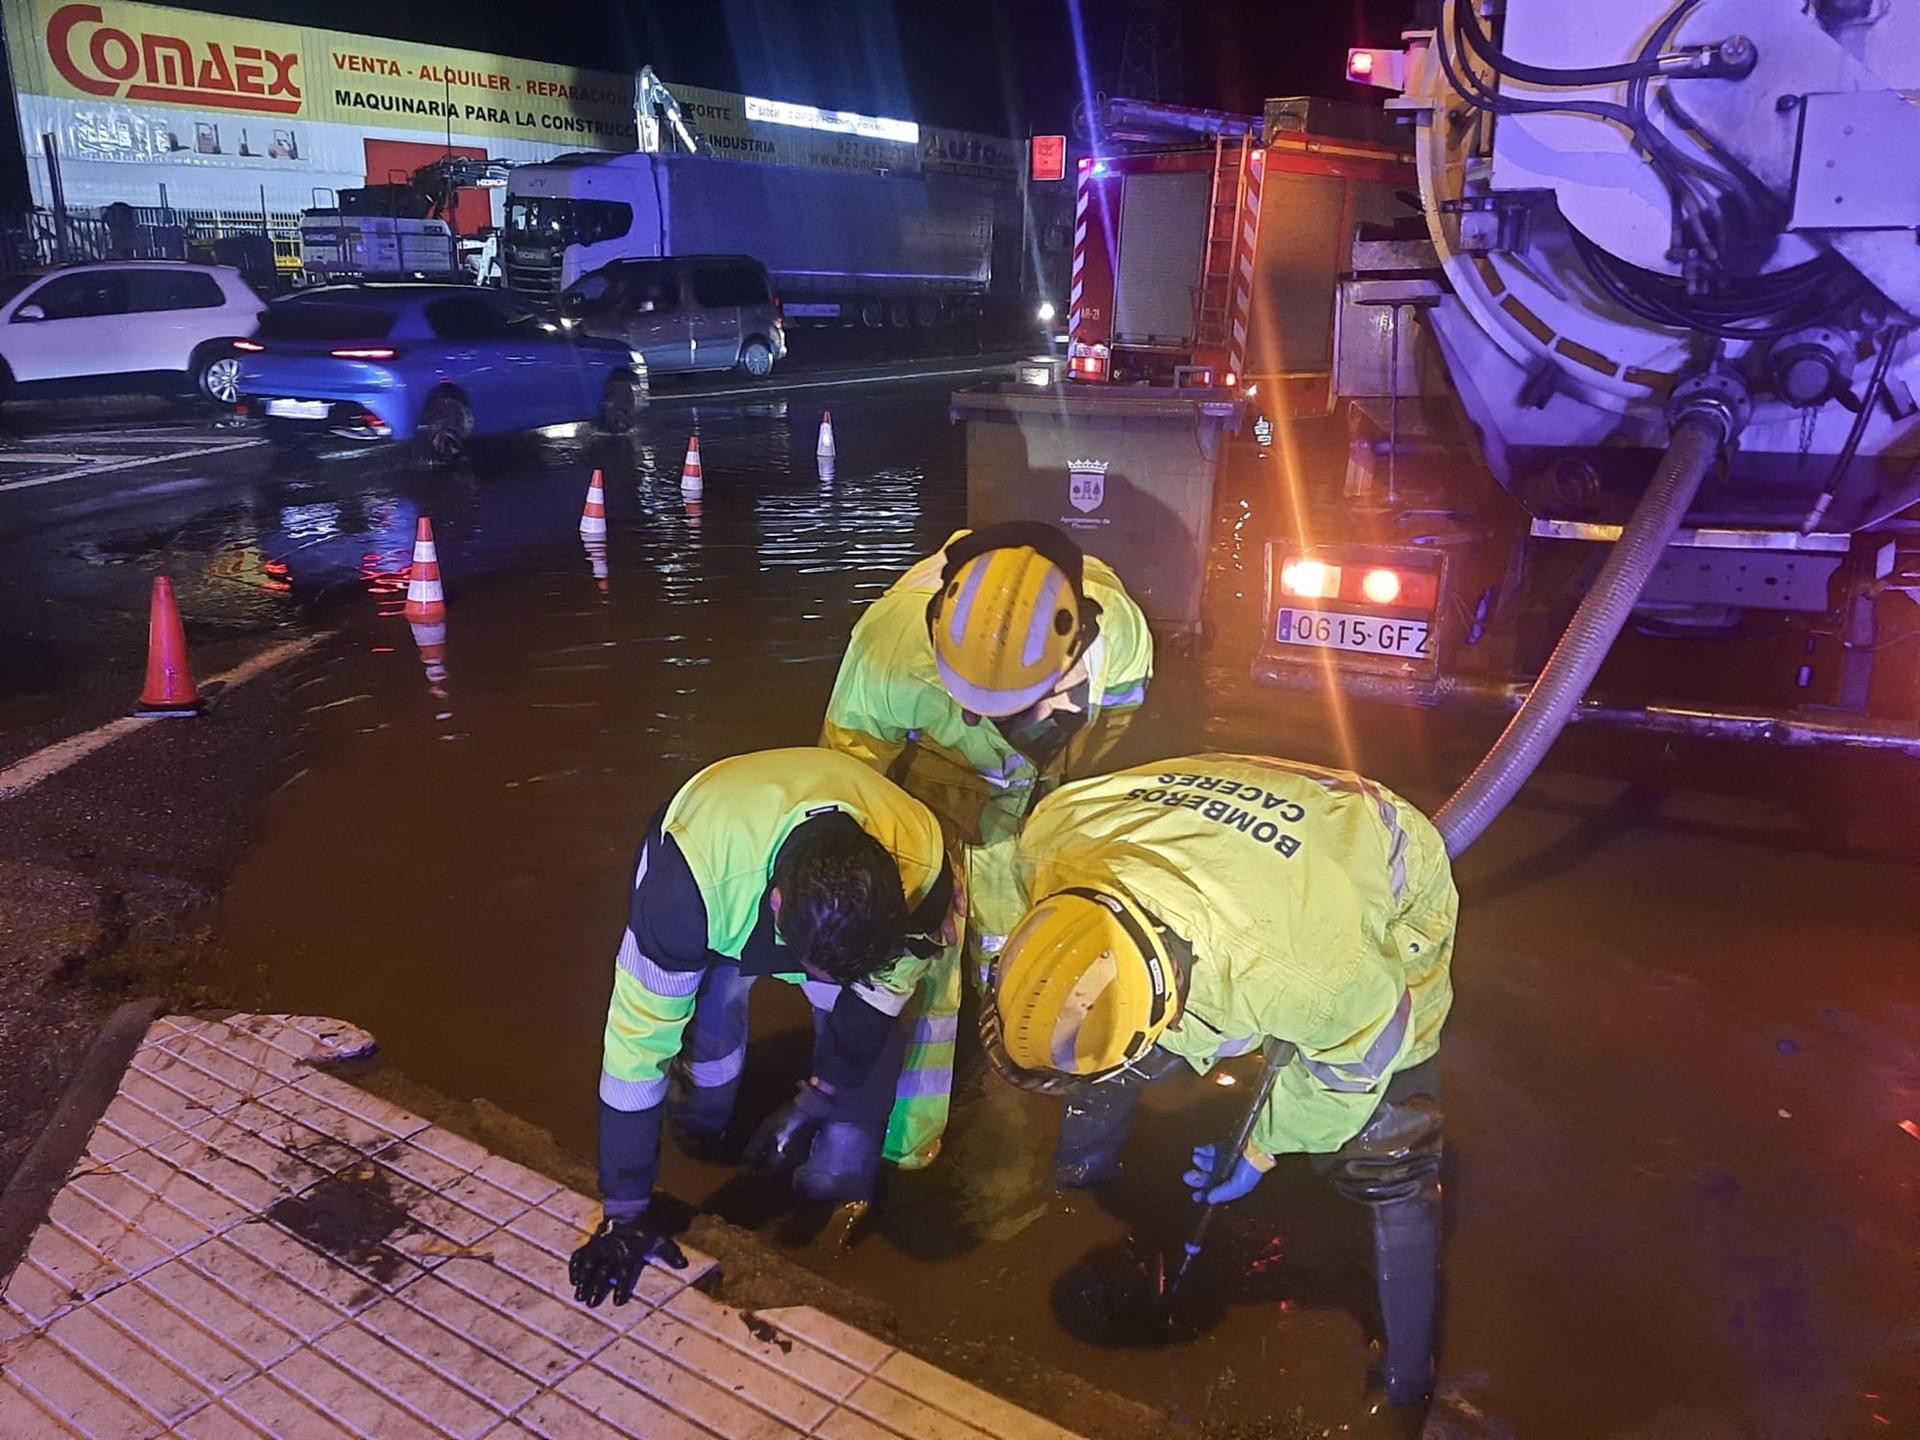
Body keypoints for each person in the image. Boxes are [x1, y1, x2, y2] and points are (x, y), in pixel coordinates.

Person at [980, 753, 1456, 1405]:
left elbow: (1356, 1061)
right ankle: (1077, 1172)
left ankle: (1405, 1377)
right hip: (1227, 823)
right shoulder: (1053, 839)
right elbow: (1057, 984)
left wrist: (1262, 1146)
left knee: (1388, 1145)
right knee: (1097, 1039)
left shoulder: (1320, 977)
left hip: (1367, 847)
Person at [570, 748, 963, 1310]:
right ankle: (706, 1121)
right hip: (714, 859)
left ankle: (831, 1201)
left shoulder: (920, 874)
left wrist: (817, 1097)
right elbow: (635, 1051)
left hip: (830, 903)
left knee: (864, 1064)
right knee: (711, 1022)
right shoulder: (681, 895)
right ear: (777, 907)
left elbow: (875, 1001)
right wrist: (625, 1210)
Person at [821, 521, 1154, 1167]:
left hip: (1036, 797)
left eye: (1004, 708)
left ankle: (1010, 1069)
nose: (979, 720)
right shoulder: (889, 643)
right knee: (921, 952)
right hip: (931, 790)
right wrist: (894, 864)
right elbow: (850, 773)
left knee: (1019, 947)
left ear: (1076, 647)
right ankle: (906, 1148)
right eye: (964, 701)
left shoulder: (1121, 634)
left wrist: (1055, 802)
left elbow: (1114, 726)